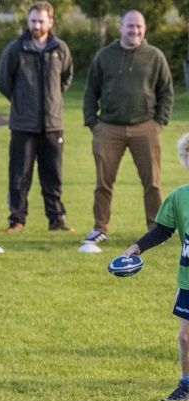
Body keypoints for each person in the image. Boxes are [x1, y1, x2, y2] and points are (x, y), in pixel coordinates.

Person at [81, 10, 173, 245]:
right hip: (108, 129)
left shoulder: (155, 56)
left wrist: (158, 122)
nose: (135, 31)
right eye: (130, 26)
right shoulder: (104, 56)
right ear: (120, 28)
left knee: (152, 182)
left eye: (139, 27)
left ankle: (156, 229)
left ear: (145, 29)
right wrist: (93, 123)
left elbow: (166, 92)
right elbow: (91, 90)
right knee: (103, 182)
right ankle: (100, 228)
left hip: (145, 127)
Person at [120, 133, 189, 401]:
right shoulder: (180, 197)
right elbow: (162, 230)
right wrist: (137, 247)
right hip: (187, 280)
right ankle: (186, 385)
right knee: (185, 338)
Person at [0, 1, 74, 234]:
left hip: (52, 124)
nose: (36, 25)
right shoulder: (15, 49)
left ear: (50, 22)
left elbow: (66, 79)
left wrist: (51, 102)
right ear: (28, 22)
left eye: (41, 21)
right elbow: (3, 82)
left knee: (53, 175)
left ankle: (56, 219)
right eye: (33, 21)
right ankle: (17, 220)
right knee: (19, 176)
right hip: (23, 124)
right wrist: (23, 103)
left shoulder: (60, 49)